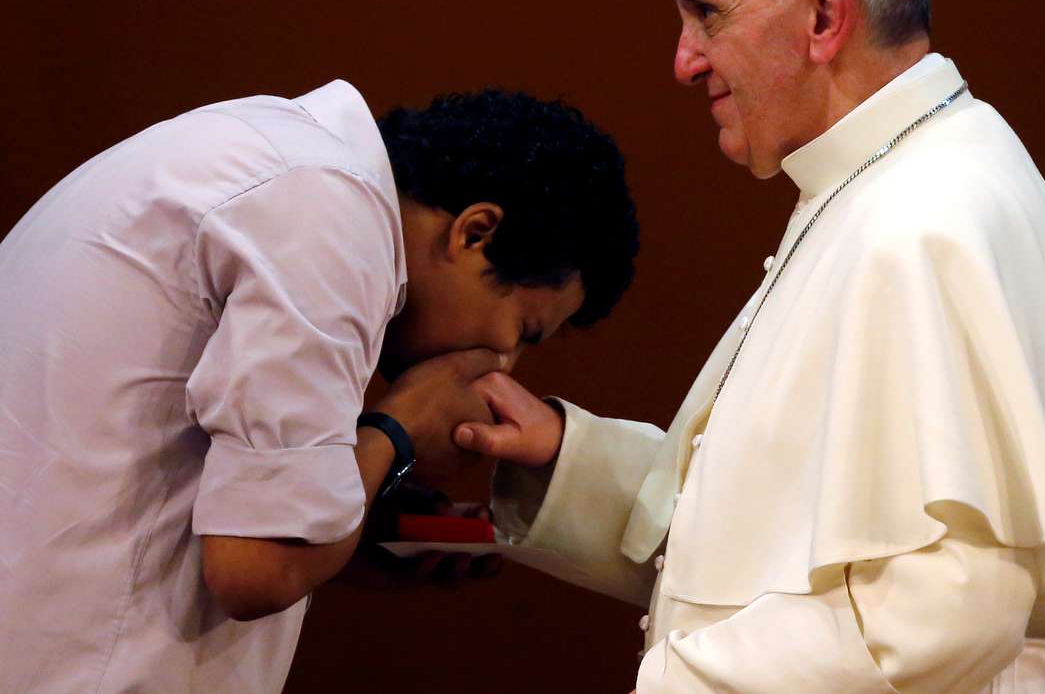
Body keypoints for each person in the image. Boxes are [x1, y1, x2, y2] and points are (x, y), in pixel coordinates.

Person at [454, 0, 1045, 692]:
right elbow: (789, 534)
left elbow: (939, 611)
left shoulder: (926, 219)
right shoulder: (885, 177)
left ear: (824, 13)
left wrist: (675, 683)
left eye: (707, 14)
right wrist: (566, 459)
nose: (684, 60)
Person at [0, 81, 638, 692]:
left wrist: (352, 520)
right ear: (475, 233)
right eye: (524, 331)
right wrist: (399, 427)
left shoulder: (281, 158)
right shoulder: (329, 218)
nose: (504, 364)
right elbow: (256, 569)